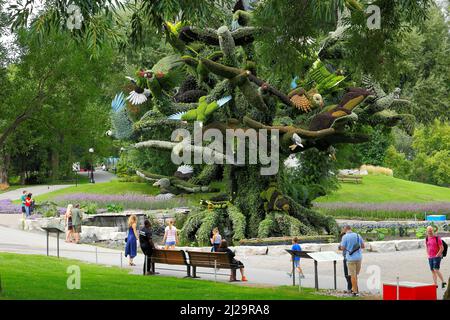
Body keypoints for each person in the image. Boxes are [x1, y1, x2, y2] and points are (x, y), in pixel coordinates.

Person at [340, 225, 365, 296]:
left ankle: (355, 291)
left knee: (352, 275)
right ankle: (354, 289)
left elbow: (342, 247)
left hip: (350, 258)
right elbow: (363, 246)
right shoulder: (358, 235)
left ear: (345, 229)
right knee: (355, 275)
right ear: (350, 229)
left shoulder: (345, 237)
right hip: (359, 258)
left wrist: (346, 247)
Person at [338, 228, 353, 293]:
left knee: (347, 274)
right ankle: (353, 288)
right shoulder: (354, 237)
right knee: (352, 274)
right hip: (354, 257)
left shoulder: (344, 238)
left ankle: (350, 288)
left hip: (347, 257)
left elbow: (340, 247)